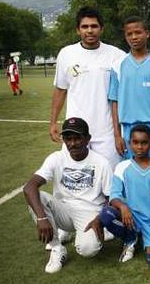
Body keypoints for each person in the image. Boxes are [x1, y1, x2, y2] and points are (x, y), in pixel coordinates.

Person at [23, 117, 112, 273]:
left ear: (87, 139)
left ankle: (84, 235)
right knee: (38, 196)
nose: (72, 143)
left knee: (87, 250)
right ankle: (57, 248)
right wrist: (41, 218)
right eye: (68, 139)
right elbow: (29, 187)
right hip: (63, 209)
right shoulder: (56, 158)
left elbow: (111, 198)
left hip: (89, 215)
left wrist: (100, 220)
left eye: (77, 138)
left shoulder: (101, 162)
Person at [51, 7, 126, 169]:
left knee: (110, 182)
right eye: (85, 27)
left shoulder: (117, 55)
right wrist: (53, 123)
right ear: (78, 30)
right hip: (75, 131)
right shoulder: (66, 54)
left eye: (94, 26)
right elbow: (60, 90)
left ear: (101, 28)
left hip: (106, 132)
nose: (89, 30)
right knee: (74, 177)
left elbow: (138, 62)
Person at [96, 125, 150, 265]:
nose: (139, 147)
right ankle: (130, 239)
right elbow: (114, 196)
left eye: (144, 143)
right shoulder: (122, 167)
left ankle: (146, 237)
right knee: (106, 214)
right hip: (131, 219)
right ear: (130, 143)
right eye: (135, 142)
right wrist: (123, 206)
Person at [109, 16, 150, 165]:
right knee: (131, 172)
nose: (134, 37)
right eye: (129, 34)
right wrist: (117, 135)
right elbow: (114, 102)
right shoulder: (118, 65)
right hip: (128, 128)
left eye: (138, 32)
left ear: (147, 34)